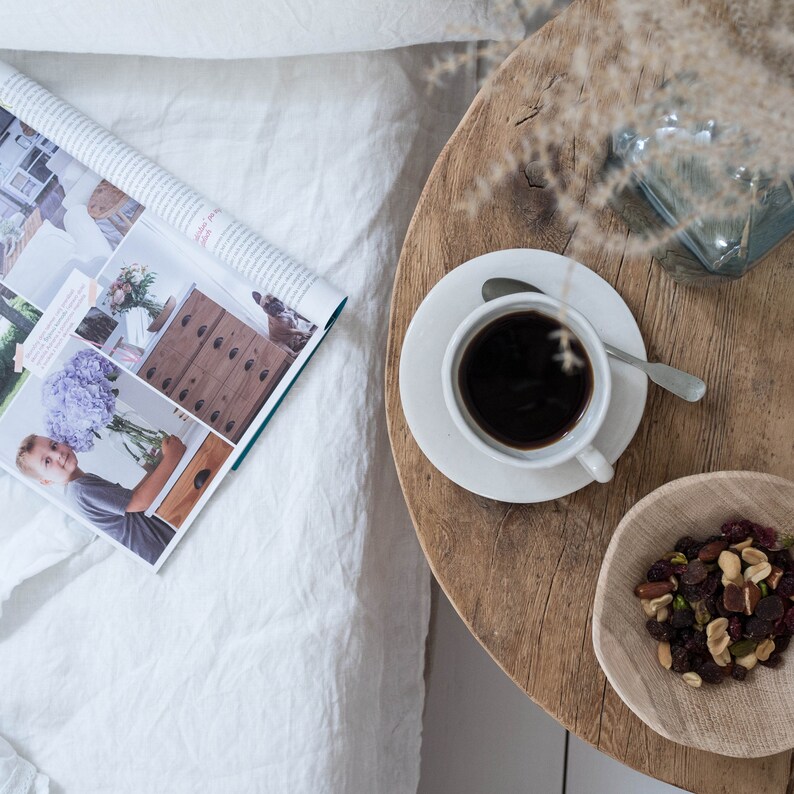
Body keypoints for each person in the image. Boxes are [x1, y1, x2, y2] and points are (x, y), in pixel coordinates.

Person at [16, 434, 187, 566]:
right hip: (160, 548)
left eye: (53, 445)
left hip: (157, 542)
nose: (57, 454)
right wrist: (173, 456)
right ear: (46, 481)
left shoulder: (76, 487)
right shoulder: (82, 490)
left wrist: (155, 468)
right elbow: (141, 501)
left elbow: (127, 498)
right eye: (47, 461)